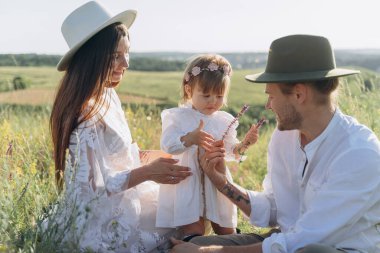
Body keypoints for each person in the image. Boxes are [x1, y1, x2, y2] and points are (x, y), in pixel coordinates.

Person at [170, 34, 380, 253]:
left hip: (333, 248)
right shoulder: (284, 137)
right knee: (194, 244)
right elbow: (273, 208)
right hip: (286, 238)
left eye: (271, 95)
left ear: (299, 94)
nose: (268, 105)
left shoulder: (358, 153)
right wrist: (221, 181)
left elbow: (305, 240)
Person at [49, 1, 192, 252]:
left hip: (125, 192)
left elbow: (115, 155)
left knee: (186, 201)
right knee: (182, 216)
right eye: (115, 56)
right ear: (91, 59)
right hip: (103, 214)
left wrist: (150, 158)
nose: (125, 63)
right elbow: (93, 188)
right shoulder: (84, 114)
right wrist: (148, 173)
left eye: (127, 53)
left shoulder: (107, 95)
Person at [156, 54, 259, 241]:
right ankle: (192, 242)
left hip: (217, 181)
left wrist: (244, 145)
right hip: (188, 180)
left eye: (219, 96)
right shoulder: (178, 117)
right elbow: (168, 145)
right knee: (193, 227)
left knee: (225, 227)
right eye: (206, 95)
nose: (213, 101)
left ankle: (230, 243)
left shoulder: (222, 120)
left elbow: (230, 151)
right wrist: (190, 138)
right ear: (189, 90)